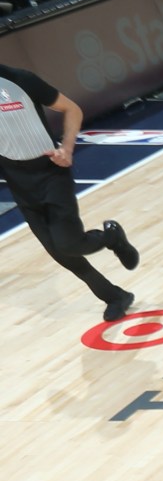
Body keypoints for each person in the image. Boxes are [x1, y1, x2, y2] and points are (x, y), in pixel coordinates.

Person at [0, 62, 137, 322]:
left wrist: (67, 148)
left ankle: (112, 236)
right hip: (18, 181)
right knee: (62, 255)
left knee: (69, 244)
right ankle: (115, 297)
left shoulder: (20, 80)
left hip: (50, 173)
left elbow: (71, 108)